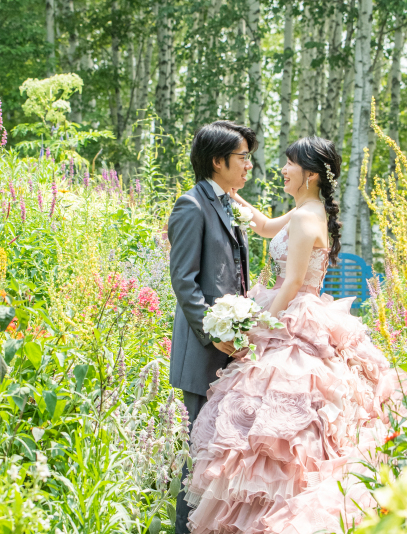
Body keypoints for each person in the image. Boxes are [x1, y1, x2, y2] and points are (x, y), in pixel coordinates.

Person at [183, 136, 407, 534]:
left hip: (294, 315)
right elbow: (262, 226)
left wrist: (258, 328)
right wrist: (227, 193)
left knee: (282, 419)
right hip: (291, 307)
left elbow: (292, 282)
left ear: (310, 174)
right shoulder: (303, 211)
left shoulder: (307, 218)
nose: (283, 170)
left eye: (289, 163)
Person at [167, 120, 256, 534]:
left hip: (230, 351)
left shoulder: (226, 202)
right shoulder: (192, 205)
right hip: (204, 354)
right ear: (218, 161)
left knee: (220, 454)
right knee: (197, 457)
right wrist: (214, 333)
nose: (249, 165)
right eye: (243, 157)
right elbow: (184, 281)